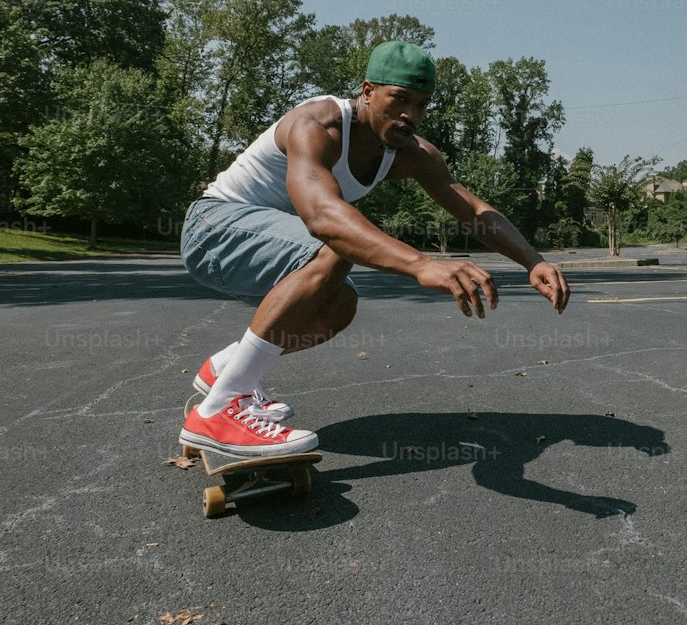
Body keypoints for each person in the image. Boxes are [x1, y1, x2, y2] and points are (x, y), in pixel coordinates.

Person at [179, 40, 570, 456]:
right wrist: (422, 265)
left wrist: (533, 260)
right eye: (399, 99)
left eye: (421, 105)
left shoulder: (412, 154)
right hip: (214, 229)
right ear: (367, 91)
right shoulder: (318, 124)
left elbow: (473, 209)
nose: (410, 116)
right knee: (335, 247)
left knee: (338, 305)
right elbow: (323, 217)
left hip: (265, 249)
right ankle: (218, 411)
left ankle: (226, 371)